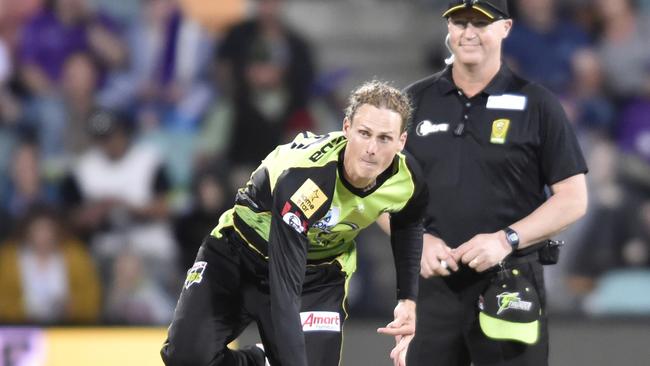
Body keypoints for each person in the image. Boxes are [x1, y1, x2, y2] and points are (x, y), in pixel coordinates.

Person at [160, 80, 427, 366]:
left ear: (401, 142)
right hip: (238, 255)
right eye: (364, 133)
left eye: (385, 138)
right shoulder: (309, 183)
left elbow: (409, 223)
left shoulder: (407, 176)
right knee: (185, 358)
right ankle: (259, 360)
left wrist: (407, 298)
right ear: (347, 128)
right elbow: (285, 290)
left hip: (317, 277)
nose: (372, 148)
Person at [391, 1, 588, 365]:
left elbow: (573, 198)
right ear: (448, 29)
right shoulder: (413, 102)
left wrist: (506, 239)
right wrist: (416, 241)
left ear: (506, 28)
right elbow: (377, 192)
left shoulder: (537, 104)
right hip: (432, 288)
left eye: (480, 23)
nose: (468, 33)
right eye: (459, 22)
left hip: (510, 283)